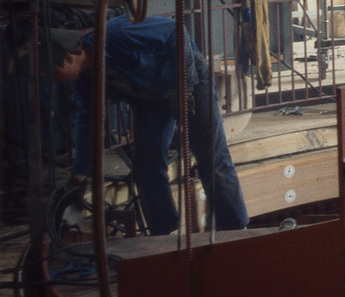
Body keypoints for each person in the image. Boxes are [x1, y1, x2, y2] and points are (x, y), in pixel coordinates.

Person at [51, 15, 249, 235]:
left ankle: (235, 230)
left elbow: (176, 30)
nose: (52, 80)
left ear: (69, 58)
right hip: (150, 98)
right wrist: (78, 174)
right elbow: (88, 122)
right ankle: (163, 234)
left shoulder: (117, 33)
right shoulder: (84, 79)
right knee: (147, 166)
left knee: (211, 156)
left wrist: (183, 86)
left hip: (189, 81)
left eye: (53, 73)